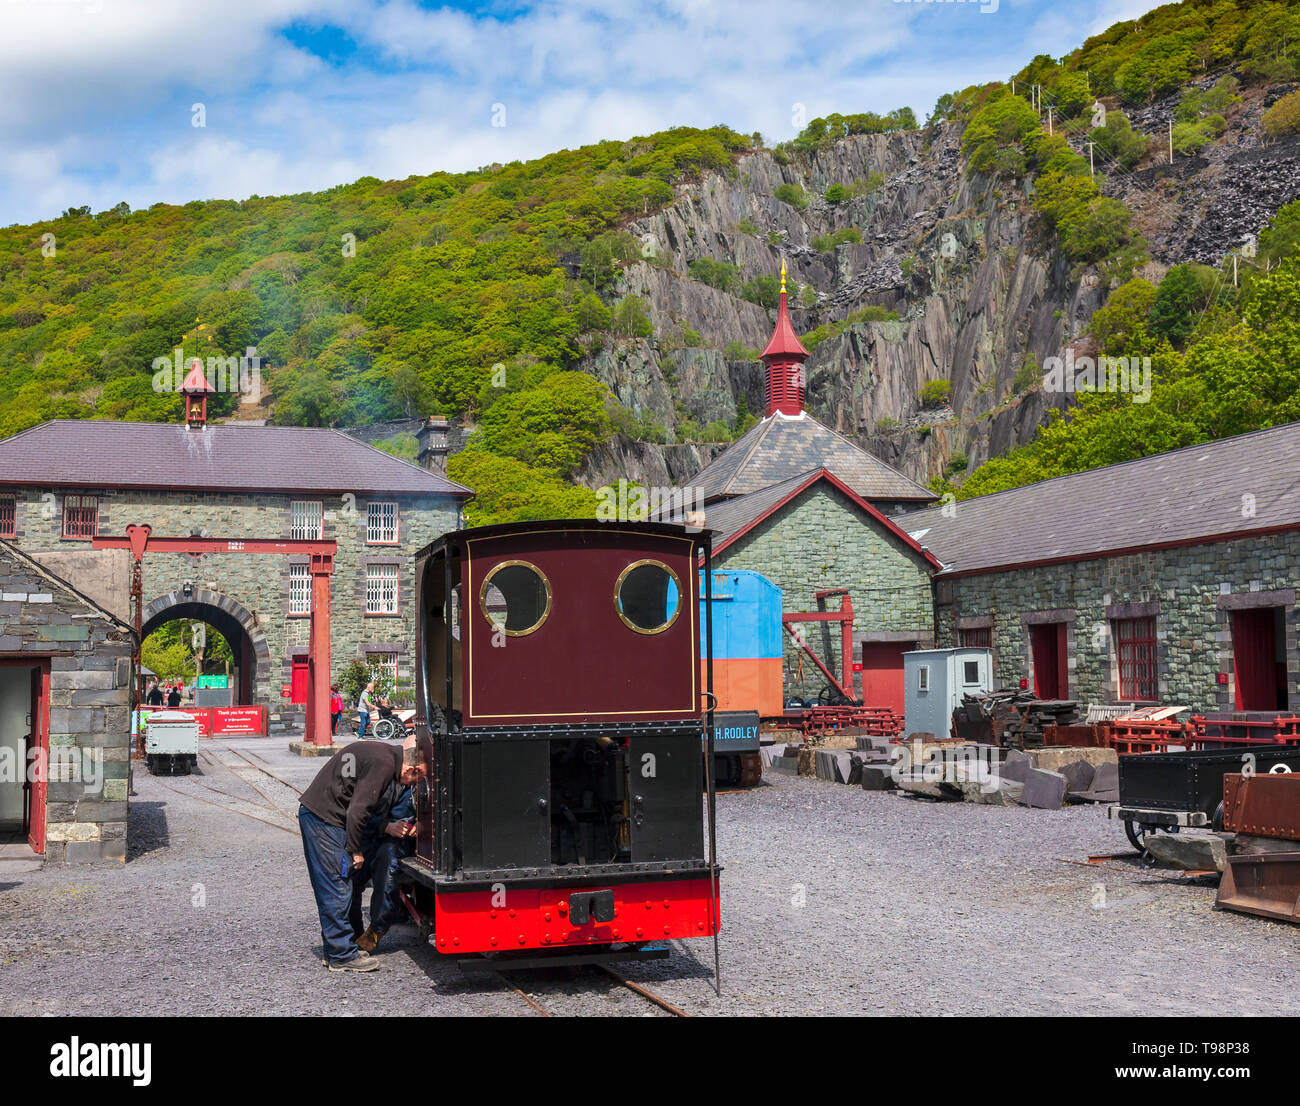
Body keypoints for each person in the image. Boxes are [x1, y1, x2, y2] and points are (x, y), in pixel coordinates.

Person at [298, 740, 426, 972]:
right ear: (410, 769)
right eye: (417, 779)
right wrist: (355, 850)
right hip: (325, 820)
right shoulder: (385, 763)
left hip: (324, 817)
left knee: (342, 884)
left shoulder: (382, 754)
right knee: (337, 885)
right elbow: (358, 810)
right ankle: (341, 955)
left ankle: (339, 948)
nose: (414, 785)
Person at [350, 779, 416, 954]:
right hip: (376, 832)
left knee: (386, 863)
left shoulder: (415, 784)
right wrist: (386, 826)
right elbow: (359, 811)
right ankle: (352, 931)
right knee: (351, 875)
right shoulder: (382, 774)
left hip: (398, 837)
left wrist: (419, 824)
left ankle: (376, 929)